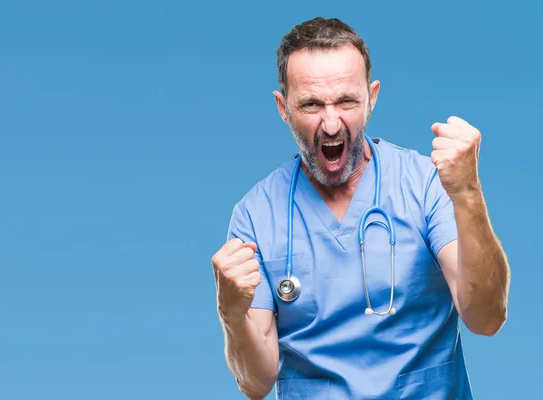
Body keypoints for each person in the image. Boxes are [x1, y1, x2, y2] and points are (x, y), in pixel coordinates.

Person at [211, 17, 511, 400]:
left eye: (347, 101)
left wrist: (468, 192)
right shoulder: (255, 216)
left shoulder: (425, 185)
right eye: (311, 105)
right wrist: (231, 314)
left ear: (372, 97)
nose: (332, 124)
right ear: (283, 107)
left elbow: (486, 318)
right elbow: (257, 383)